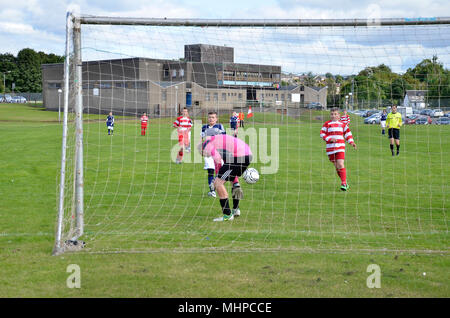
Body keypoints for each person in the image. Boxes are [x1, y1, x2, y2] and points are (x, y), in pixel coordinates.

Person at [198, 134, 252, 221]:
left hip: (239, 156)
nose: (206, 156)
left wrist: (216, 179)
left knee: (217, 183)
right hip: (247, 154)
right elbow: (225, 165)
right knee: (232, 179)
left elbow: (218, 159)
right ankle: (236, 209)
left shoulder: (207, 144)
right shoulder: (217, 141)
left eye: (204, 154)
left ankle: (227, 215)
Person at [320, 108, 357, 191]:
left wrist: (352, 142)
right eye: (332, 114)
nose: (334, 116)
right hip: (330, 149)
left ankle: (343, 183)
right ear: (330, 115)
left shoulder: (342, 124)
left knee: (340, 164)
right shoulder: (327, 124)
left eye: (335, 114)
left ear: (339, 115)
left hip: (340, 147)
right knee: (337, 166)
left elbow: (348, 134)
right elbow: (322, 134)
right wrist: (329, 139)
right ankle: (344, 182)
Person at [201, 111, 226, 198]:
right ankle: (212, 191)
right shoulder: (204, 127)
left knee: (220, 172)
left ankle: (218, 187)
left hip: (218, 152)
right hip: (208, 152)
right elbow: (201, 139)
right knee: (210, 170)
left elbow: (224, 138)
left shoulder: (219, 126)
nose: (211, 119)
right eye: (210, 117)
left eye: (213, 117)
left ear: (216, 119)